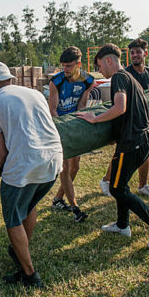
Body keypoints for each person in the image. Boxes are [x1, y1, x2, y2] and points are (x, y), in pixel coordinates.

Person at [76, 44, 149, 248]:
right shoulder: (132, 79)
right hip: (141, 140)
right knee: (121, 185)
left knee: (117, 189)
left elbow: (120, 107)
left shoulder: (119, 77)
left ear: (108, 61)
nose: (100, 70)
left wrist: (95, 119)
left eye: (100, 65)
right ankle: (122, 225)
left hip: (132, 142)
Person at [0, 61, 63, 287]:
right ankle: (20, 253)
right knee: (28, 205)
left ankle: (29, 275)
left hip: (24, 163)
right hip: (54, 159)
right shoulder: (34, 93)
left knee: (13, 217)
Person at [100, 39, 149, 198]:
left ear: (145, 53)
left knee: (144, 154)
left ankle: (143, 185)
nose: (134, 55)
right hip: (128, 123)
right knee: (121, 155)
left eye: (138, 52)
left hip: (141, 119)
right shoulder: (125, 74)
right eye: (132, 53)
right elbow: (119, 105)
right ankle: (107, 181)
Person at [48, 46, 94, 222]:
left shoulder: (88, 80)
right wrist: (65, 129)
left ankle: (58, 199)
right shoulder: (56, 81)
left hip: (75, 126)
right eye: (63, 66)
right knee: (65, 168)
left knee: (75, 167)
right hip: (60, 127)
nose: (65, 70)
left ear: (78, 64)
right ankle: (75, 208)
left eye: (69, 66)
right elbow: (52, 110)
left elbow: (82, 106)